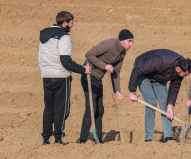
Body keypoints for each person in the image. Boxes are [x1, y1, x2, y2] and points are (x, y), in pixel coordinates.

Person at [38, 11, 91, 145]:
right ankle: (58, 137)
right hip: (61, 76)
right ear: (65, 23)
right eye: (72, 23)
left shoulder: (44, 35)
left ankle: (45, 138)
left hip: (46, 75)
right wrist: (83, 70)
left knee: (48, 108)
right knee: (62, 108)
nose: (72, 26)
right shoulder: (64, 37)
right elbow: (65, 61)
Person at [78, 29, 134, 144]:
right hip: (88, 76)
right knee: (91, 108)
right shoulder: (110, 44)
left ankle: (98, 139)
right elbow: (89, 54)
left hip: (98, 78)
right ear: (122, 41)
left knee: (100, 109)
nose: (131, 44)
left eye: (132, 42)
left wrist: (117, 91)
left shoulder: (122, 53)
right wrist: (104, 66)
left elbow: (116, 72)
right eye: (129, 41)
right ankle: (82, 140)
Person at [128, 49, 191, 142]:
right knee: (151, 103)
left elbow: (175, 87)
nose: (184, 77)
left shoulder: (183, 66)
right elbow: (137, 69)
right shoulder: (161, 61)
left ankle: (168, 137)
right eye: (184, 75)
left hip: (160, 76)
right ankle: (149, 139)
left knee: (165, 105)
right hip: (143, 73)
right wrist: (132, 92)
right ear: (178, 69)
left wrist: (170, 105)